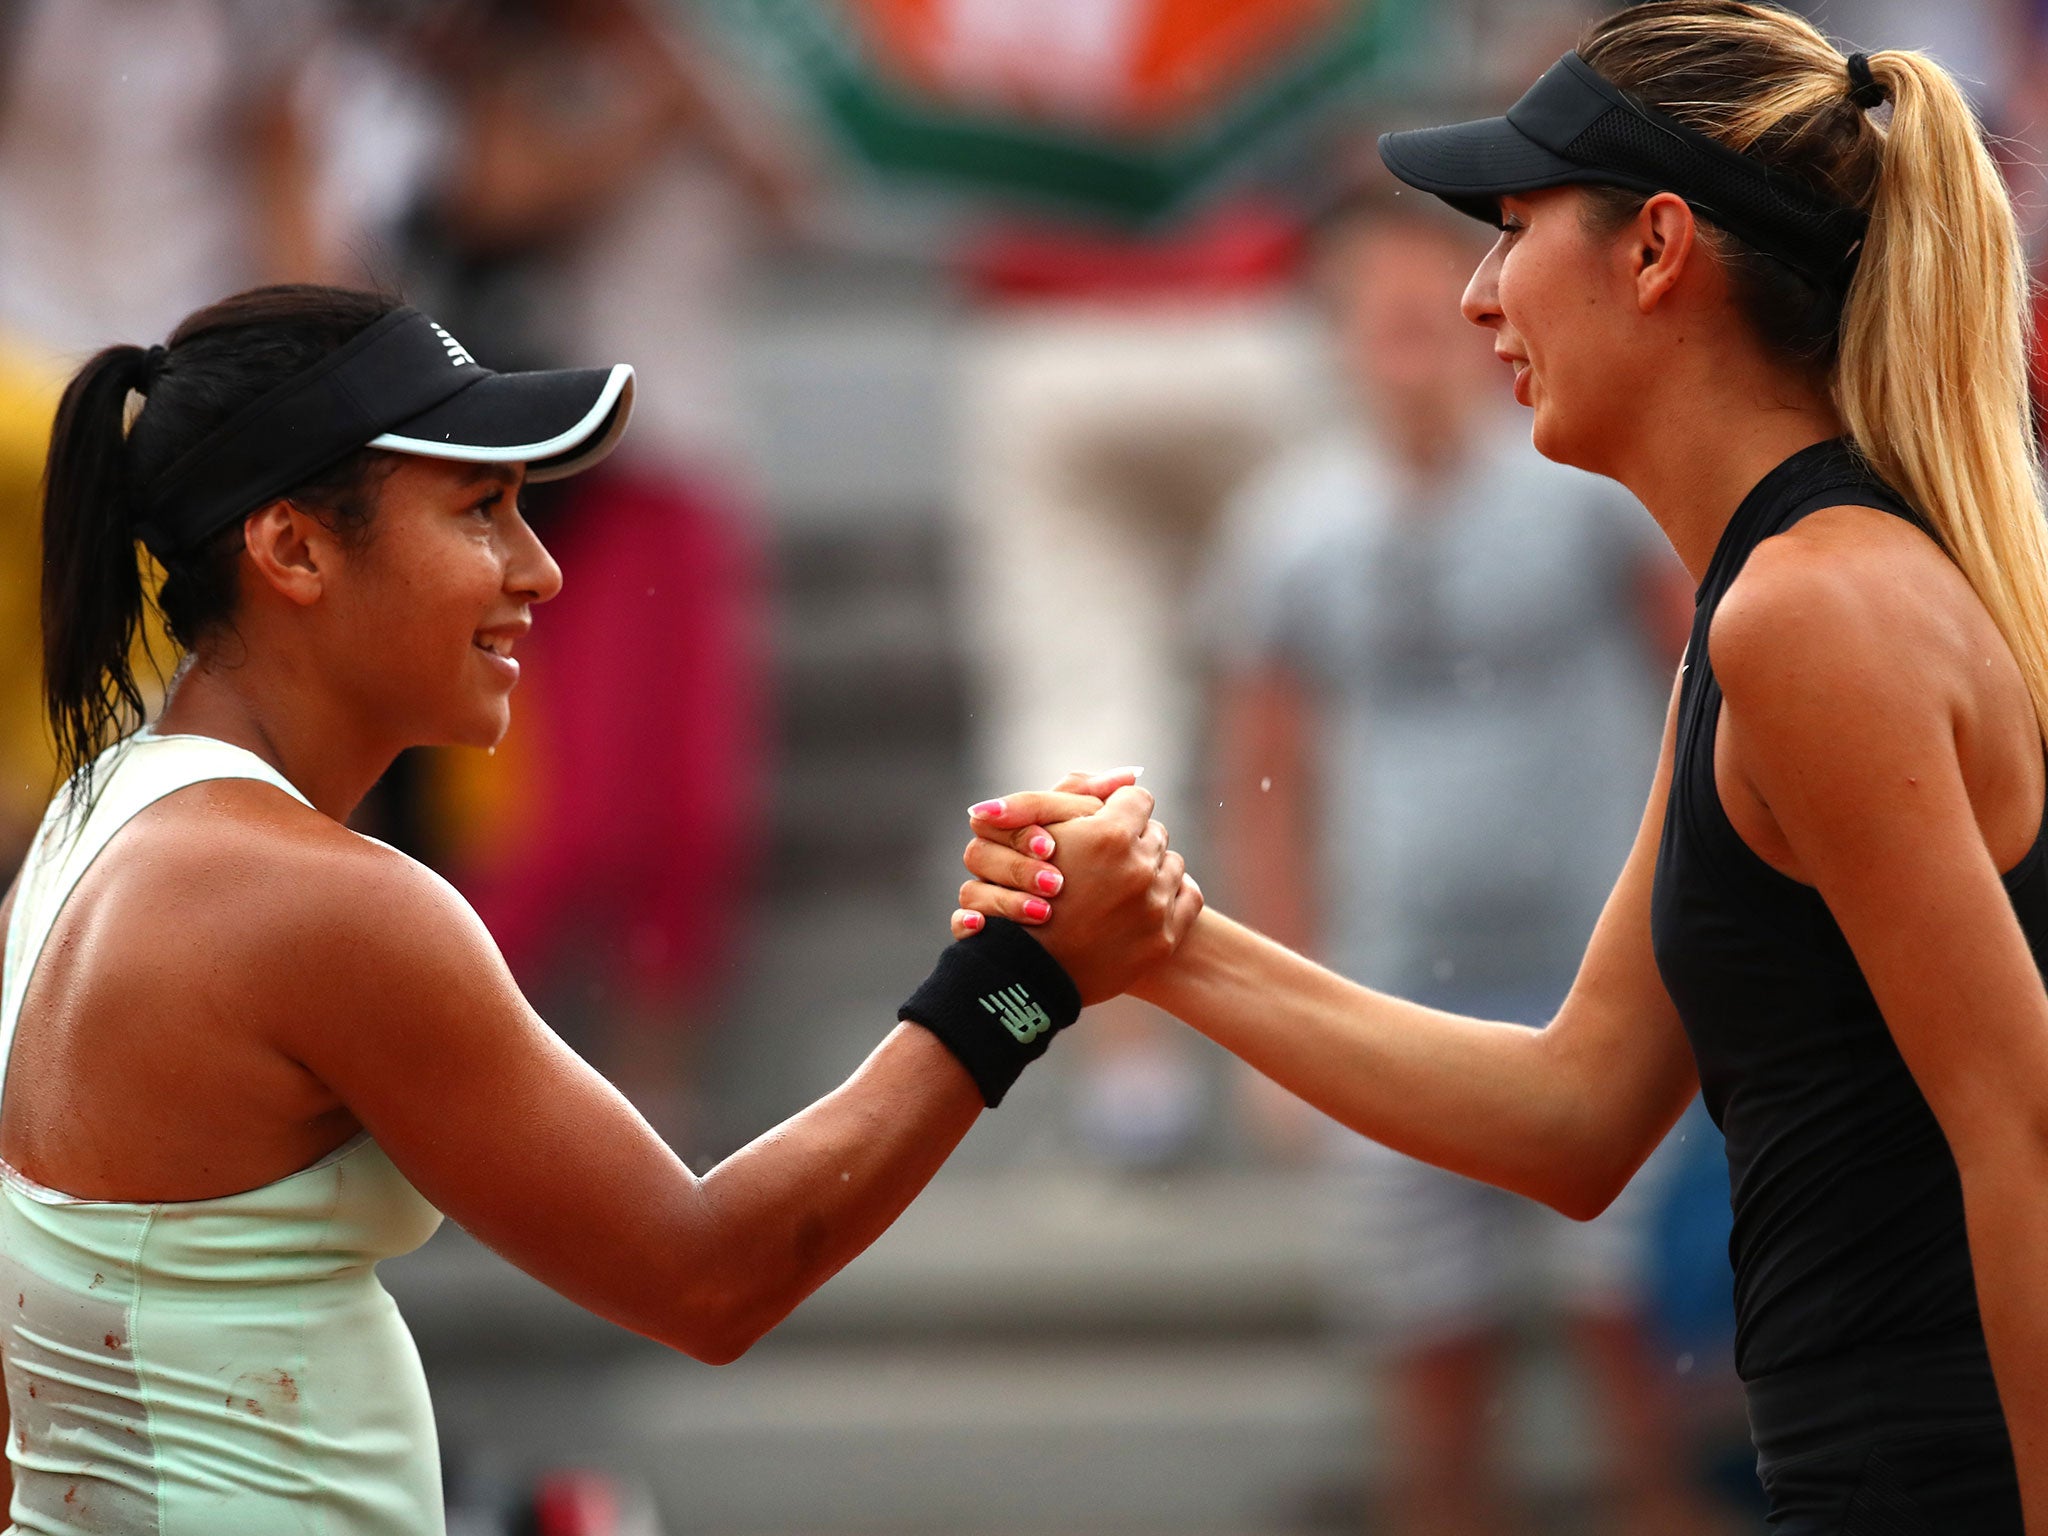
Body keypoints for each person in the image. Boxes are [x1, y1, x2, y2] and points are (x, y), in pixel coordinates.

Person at [957, 1, 2048, 1527]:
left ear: (1658, 250)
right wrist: (1167, 948)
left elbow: (2027, 1132)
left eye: (1512, 226)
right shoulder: (1779, 599)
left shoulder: (1812, 608)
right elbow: (1578, 1112)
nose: (1475, 297)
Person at [0, 284, 1194, 1534]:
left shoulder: (84, 828)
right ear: (293, 549)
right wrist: (1022, 977)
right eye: (480, 511)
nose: (542, 569)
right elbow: (714, 1276)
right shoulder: (314, 903)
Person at [1208, 188, 1710, 1535]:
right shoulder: (1290, 527)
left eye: (1426, 310)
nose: (1405, 341)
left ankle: (1661, 1506)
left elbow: (1703, 665)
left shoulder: (1583, 479)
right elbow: (1266, 772)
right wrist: (1281, 986)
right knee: (1427, 1334)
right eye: (1373, 316)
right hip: (1395, 980)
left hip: (1603, 966)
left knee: (1632, 1317)